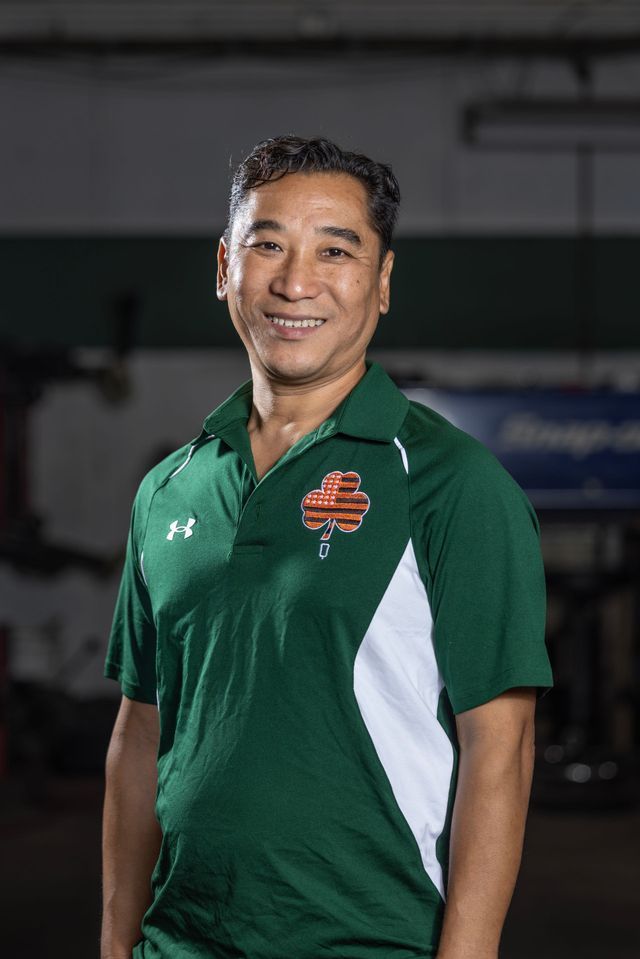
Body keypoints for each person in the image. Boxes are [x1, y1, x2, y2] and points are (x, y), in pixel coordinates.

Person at [101, 135, 553, 959]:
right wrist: (115, 942)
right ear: (222, 268)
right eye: (266, 243)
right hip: (178, 942)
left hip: (372, 940)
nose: (294, 281)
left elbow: (503, 746)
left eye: (335, 250)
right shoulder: (170, 488)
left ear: (381, 284)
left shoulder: (450, 483)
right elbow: (140, 730)